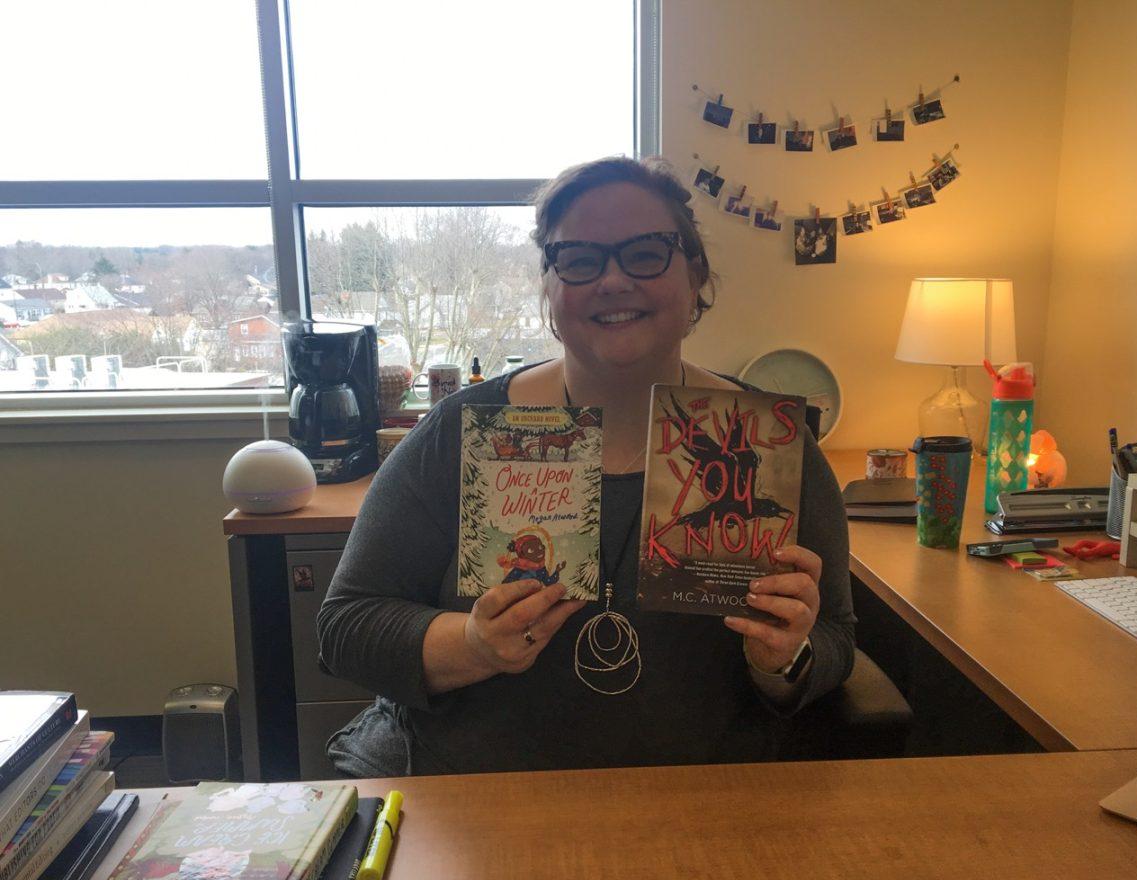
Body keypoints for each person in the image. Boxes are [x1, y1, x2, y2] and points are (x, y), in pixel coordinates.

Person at [317, 156, 856, 777]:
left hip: (703, 800)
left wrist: (784, 657)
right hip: (479, 796)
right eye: (580, 259)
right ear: (549, 284)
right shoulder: (463, 434)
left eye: (646, 253)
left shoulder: (769, 444)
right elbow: (346, 629)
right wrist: (471, 646)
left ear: (695, 274)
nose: (613, 280)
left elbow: (836, 638)